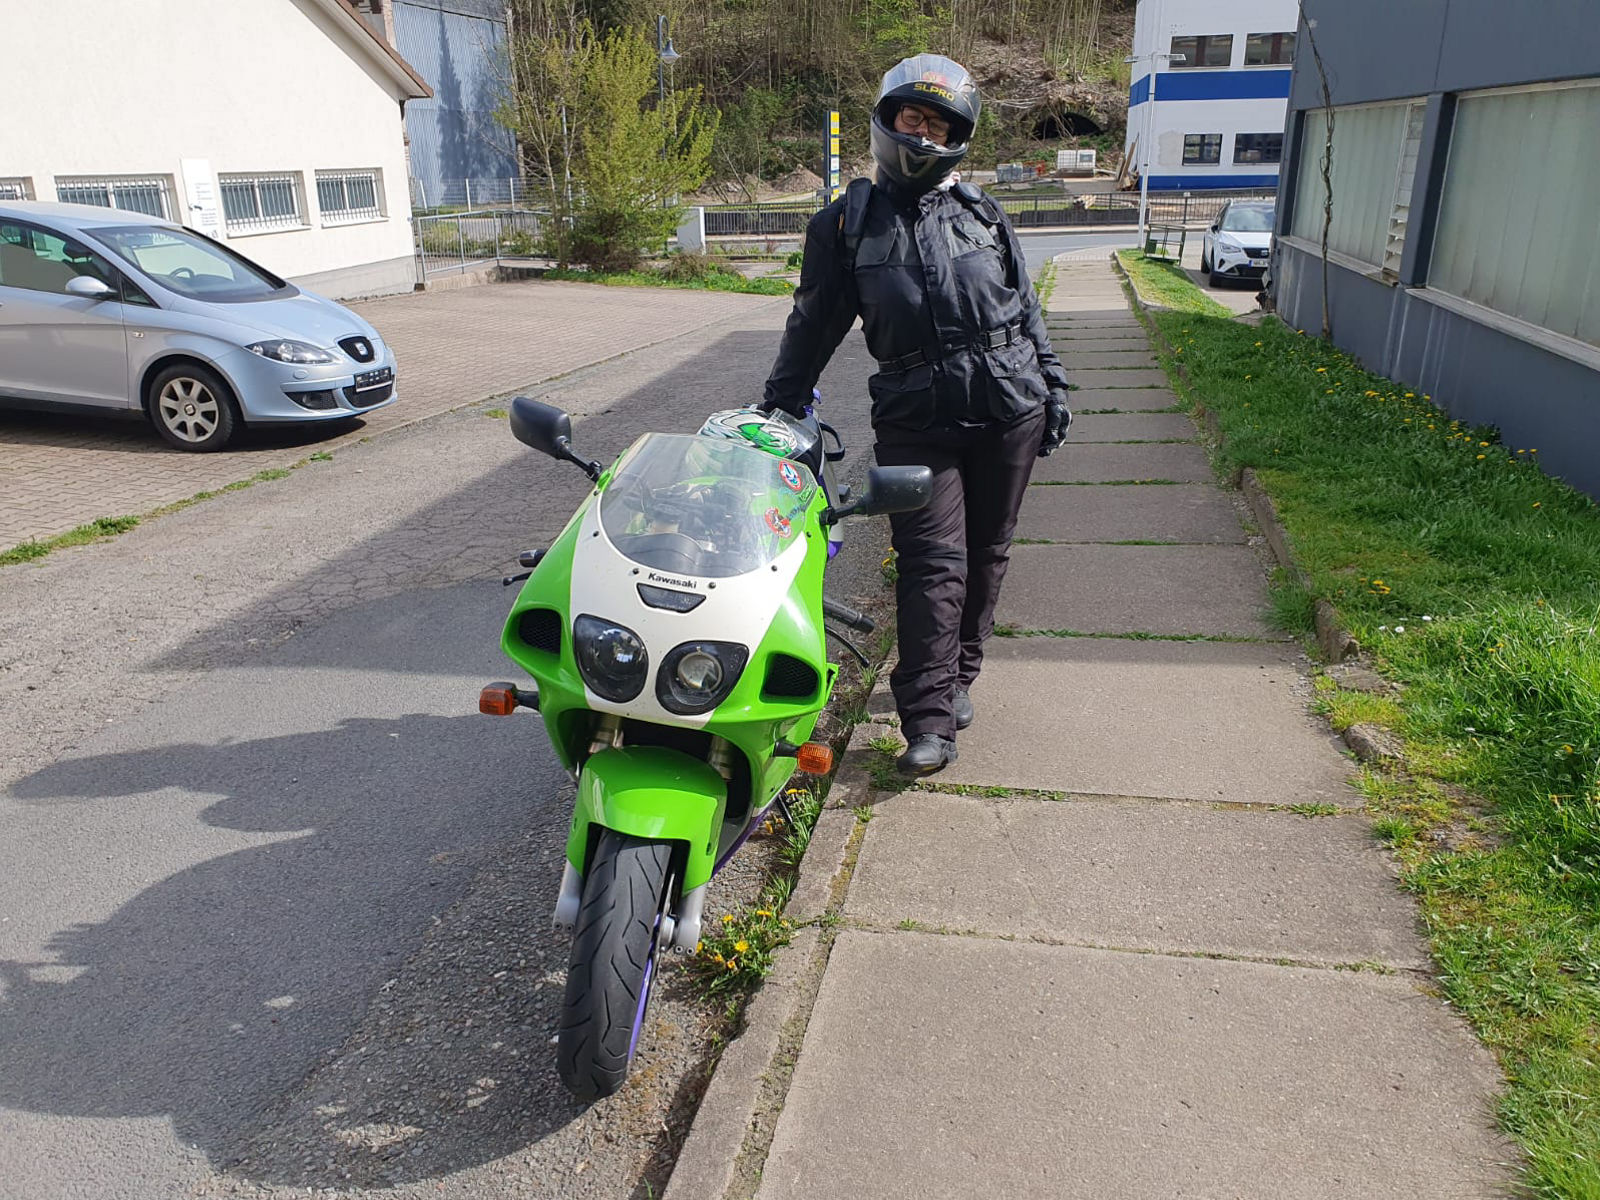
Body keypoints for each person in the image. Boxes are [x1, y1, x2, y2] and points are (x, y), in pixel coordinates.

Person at [761, 53, 1071, 777]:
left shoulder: (984, 214)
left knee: (988, 552)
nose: (924, 131)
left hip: (1009, 404)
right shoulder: (845, 228)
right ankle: (928, 720)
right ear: (888, 119)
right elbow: (812, 324)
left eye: (939, 122)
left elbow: (1024, 309)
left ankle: (960, 675)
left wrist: (1053, 386)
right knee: (932, 563)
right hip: (914, 415)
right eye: (913, 116)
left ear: (958, 134)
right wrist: (777, 407)